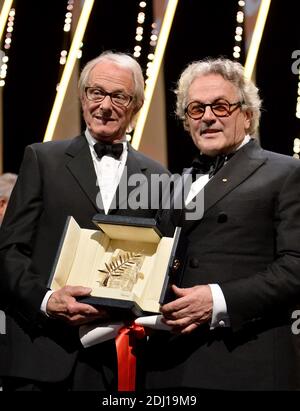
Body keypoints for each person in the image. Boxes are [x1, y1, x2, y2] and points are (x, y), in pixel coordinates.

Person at [0, 51, 169, 391]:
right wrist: (47, 301)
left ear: (135, 104)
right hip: (40, 352)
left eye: (118, 96)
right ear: (82, 96)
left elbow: (159, 262)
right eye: (96, 92)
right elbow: (9, 251)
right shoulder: (42, 158)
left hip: (115, 358)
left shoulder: (157, 175)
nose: (104, 105)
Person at [145, 57, 300, 390]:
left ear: (246, 113)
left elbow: (296, 268)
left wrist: (216, 300)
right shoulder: (178, 181)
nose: (209, 117)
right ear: (187, 121)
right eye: (196, 109)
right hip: (170, 364)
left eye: (220, 106)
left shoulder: (285, 172)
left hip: (244, 365)